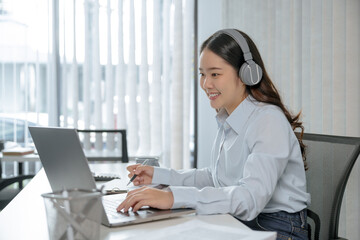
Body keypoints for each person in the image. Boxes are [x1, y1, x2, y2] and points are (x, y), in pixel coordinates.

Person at [117, 29, 310, 240]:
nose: (206, 84)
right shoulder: (228, 117)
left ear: (246, 74)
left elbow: (249, 199)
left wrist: (173, 198)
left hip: (278, 228)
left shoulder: (267, 120)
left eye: (215, 74)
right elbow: (215, 178)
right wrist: (160, 176)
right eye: (202, 74)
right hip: (241, 220)